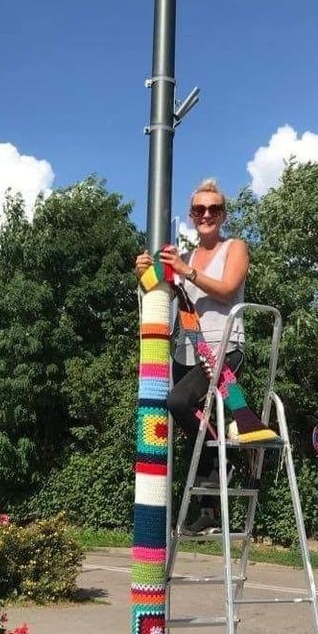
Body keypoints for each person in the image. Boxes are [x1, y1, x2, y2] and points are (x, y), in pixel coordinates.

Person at [135, 179, 248, 535]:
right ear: (191, 215)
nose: (207, 215)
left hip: (222, 350)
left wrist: (188, 272)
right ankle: (209, 509)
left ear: (223, 214)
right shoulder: (182, 258)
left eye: (214, 209)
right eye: (200, 210)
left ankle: (225, 461)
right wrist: (144, 276)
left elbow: (229, 290)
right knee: (189, 427)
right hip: (187, 350)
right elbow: (159, 298)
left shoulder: (235, 248)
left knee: (179, 401)